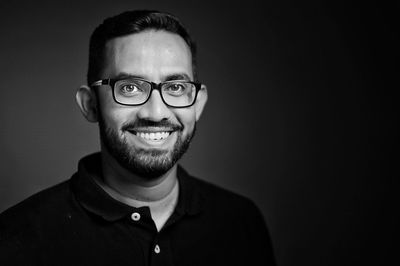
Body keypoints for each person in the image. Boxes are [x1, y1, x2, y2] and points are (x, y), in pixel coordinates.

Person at [0, 10, 275, 265]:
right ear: (90, 105)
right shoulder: (18, 238)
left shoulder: (240, 221)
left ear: (197, 103)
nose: (156, 113)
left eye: (176, 86)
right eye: (130, 87)